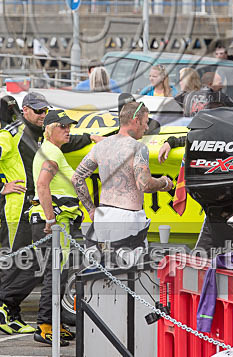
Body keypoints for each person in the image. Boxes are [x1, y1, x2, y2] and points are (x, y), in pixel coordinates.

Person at [0, 92, 99, 335]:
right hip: (17, 205)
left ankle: (9, 307)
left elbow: (65, 140)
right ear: (25, 110)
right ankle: (4, 306)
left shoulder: (42, 136)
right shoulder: (13, 133)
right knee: (20, 259)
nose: (43, 115)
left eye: (45, 111)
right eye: (38, 111)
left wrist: (91, 137)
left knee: (34, 261)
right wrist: (1, 187)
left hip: (33, 206)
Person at [71, 101, 173, 251]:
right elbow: (144, 184)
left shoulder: (101, 146)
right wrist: (163, 183)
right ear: (136, 121)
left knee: (104, 269)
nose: (146, 127)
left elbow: (76, 178)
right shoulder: (138, 147)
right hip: (128, 219)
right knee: (128, 270)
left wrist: (91, 209)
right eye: (145, 123)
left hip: (103, 215)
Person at [29, 110, 82, 346]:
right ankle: (45, 326)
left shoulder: (53, 151)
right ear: (50, 128)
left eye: (69, 126)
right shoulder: (51, 152)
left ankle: (55, 322)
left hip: (57, 222)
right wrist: (51, 219)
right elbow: (42, 186)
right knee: (54, 275)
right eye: (63, 126)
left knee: (57, 274)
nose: (68, 130)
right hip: (53, 224)